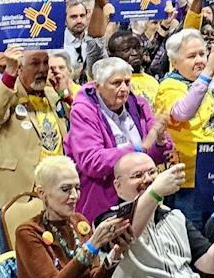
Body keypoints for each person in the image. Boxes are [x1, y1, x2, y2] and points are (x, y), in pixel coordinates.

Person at [100, 153, 214, 278]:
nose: (148, 179)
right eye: (137, 175)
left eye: (152, 172)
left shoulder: (175, 216)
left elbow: (211, 265)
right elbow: (128, 234)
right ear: (118, 186)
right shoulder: (108, 219)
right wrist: (155, 191)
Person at [154, 29, 214, 228]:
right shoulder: (169, 86)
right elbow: (182, 112)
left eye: (202, 54)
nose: (200, 60)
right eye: (191, 56)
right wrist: (208, 73)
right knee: (195, 241)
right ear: (174, 62)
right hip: (190, 184)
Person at [65, 58, 170, 220]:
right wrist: (138, 149)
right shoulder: (83, 111)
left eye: (127, 82)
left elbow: (154, 154)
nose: (124, 89)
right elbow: (91, 161)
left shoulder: (139, 104)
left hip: (144, 197)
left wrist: (160, 142)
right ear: (98, 86)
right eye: (116, 83)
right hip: (102, 203)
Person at [13, 156, 128, 278]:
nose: (75, 196)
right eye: (65, 189)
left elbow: (93, 275)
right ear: (42, 193)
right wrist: (92, 246)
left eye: (77, 188)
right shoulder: (28, 232)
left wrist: (115, 254)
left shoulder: (79, 221)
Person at [0, 47, 68, 214]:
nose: (42, 69)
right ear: (20, 67)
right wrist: (9, 73)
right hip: (19, 193)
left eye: (45, 62)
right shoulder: (8, 92)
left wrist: (65, 95)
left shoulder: (52, 93)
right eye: (35, 63)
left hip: (55, 189)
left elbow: (73, 127)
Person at [63, 0, 109, 83]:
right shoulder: (57, 44)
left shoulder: (94, 40)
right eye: (74, 17)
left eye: (82, 16)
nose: (79, 20)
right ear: (65, 20)